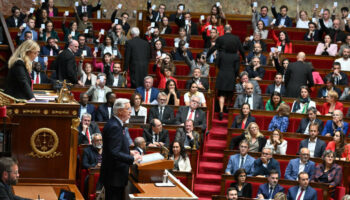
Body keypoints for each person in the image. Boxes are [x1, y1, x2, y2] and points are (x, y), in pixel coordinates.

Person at [100, 98, 142, 200]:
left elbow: (114, 147)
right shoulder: (114, 126)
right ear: (119, 111)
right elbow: (114, 152)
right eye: (127, 109)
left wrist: (129, 152)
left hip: (114, 175)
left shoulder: (115, 123)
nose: (130, 111)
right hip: (114, 176)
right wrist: (132, 159)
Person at [211, 24, 245, 120]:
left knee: (221, 93)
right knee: (229, 93)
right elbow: (237, 68)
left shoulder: (221, 54)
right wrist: (236, 75)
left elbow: (216, 64)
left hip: (222, 74)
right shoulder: (235, 56)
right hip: (231, 75)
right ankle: (227, 108)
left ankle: (221, 110)